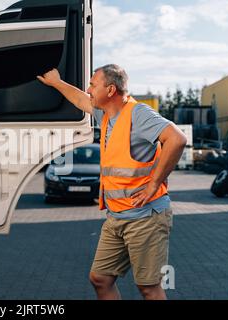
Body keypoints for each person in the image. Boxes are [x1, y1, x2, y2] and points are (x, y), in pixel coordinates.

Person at [37, 64, 187, 300]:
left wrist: (153, 184)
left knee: (149, 288)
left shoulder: (138, 114)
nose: (88, 89)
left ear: (110, 90)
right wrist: (56, 82)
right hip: (116, 217)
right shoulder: (105, 113)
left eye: (93, 85)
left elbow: (177, 139)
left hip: (145, 218)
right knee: (100, 279)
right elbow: (79, 99)